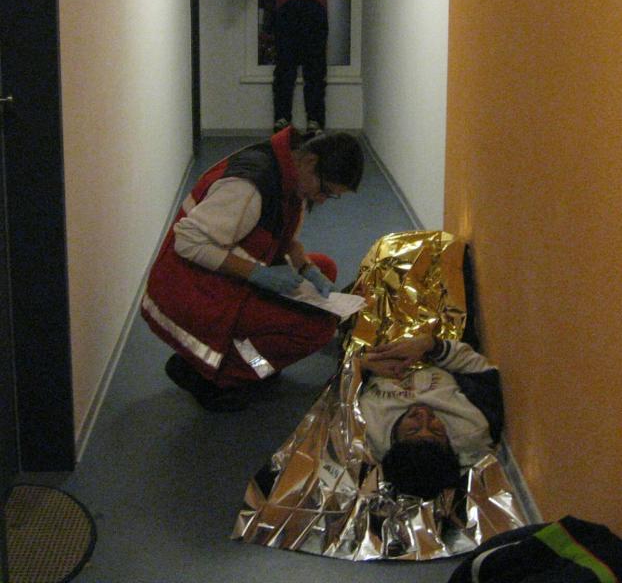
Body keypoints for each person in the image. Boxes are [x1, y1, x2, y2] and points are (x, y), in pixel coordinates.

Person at [141, 126, 364, 412]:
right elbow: (187, 242)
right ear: (310, 162)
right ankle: (223, 374)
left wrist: (307, 269)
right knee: (316, 330)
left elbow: (283, 238)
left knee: (326, 267)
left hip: (221, 277)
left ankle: (246, 359)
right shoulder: (249, 187)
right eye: (326, 191)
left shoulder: (287, 169)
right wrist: (257, 274)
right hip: (190, 289)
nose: (321, 200)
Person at [359, 333, 503, 500]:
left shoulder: (368, 431)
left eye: (412, 430)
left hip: (372, 344)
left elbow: (343, 384)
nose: (423, 415)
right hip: (439, 335)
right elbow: (481, 370)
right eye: (437, 430)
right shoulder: (473, 425)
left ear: (394, 442)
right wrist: (434, 346)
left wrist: (362, 364)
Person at [260, 0, 347, 136]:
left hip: (288, 12)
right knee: (315, 70)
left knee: (285, 69)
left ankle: (282, 120)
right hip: (314, 12)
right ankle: (314, 122)